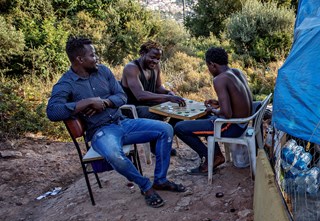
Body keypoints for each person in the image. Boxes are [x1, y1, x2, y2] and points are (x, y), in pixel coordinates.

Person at [46, 37, 186, 208]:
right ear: (80, 60)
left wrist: (105, 103)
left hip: (123, 122)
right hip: (100, 131)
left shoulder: (103, 71)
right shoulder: (66, 83)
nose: (96, 58)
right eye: (93, 55)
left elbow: (121, 96)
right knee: (115, 155)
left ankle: (161, 180)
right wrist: (87, 102)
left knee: (165, 129)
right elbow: (52, 111)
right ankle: (146, 186)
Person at [174, 47, 253, 174]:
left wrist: (212, 110)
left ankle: (210, 157)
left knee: (179, 127)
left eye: (208, 66)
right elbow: (238, 99)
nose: (209, 70)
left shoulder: (219, 79)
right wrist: (218, 103)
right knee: (201, 118)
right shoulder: (236, 72)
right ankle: (216, 155)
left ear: (212, 64)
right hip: (242, 123)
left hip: (230, 127)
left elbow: (226, 114)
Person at [121, 41, 186, 155]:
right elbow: (140, 95)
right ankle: (156, 146)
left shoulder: (155, 67)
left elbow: (158, 87)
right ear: (142, 53)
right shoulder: (131, 68)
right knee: (155, 115)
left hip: (150, 104)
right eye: (152, 57)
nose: (155, 61)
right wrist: (167, 98)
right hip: (133, 108)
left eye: (158, 59)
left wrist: (169, 93)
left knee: (180, 111)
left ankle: (161, 142)